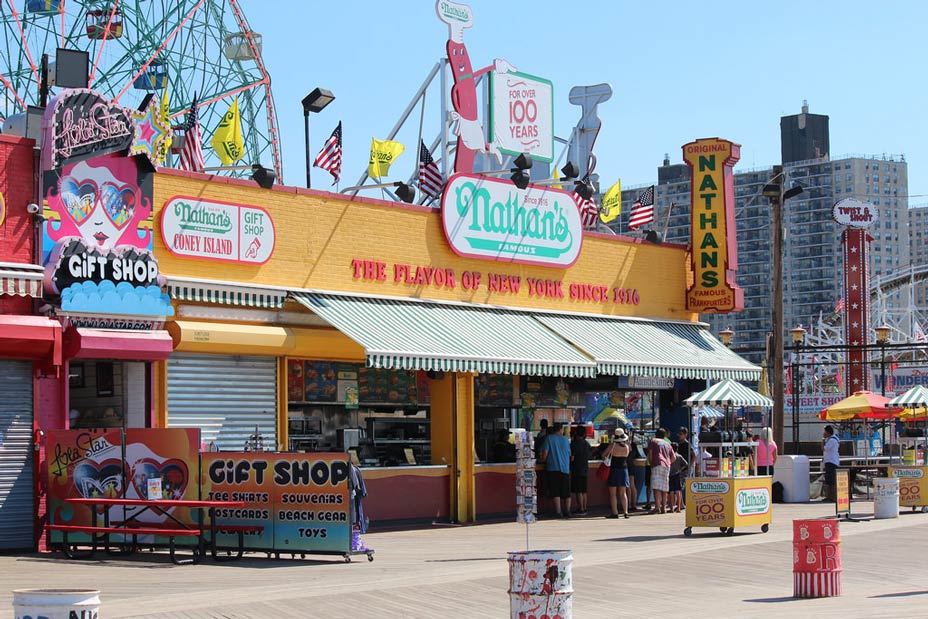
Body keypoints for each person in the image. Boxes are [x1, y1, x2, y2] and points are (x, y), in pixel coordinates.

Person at [540, 423, 572, 518]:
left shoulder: (549, 438)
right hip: (565, 469)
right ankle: (567, 511)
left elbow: (544, 454)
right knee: (566, 493)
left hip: (553, 468)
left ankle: (558, 512)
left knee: (556, 491)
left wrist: (541, 459)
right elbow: (569, 455)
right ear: (561, 429)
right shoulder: (566, 440)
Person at [604, 429, 631, 518]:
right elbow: (627, 456)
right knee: (623, 493)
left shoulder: (612, 446)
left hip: (614, 470)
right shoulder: (627, 447)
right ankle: (626, 512)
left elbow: (604, 455)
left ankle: (615, 513)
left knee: (613, 494)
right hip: (624, 470)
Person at [648, 428, 675, 514]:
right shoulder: (667, 444)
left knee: (656, 487)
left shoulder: (653, 441)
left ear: (656, 434)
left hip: (657, 464)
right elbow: (674, 457)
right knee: (664, 488)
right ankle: (663, 507)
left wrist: (652, 464)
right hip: (667, 466)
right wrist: (668, 462)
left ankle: (657, 507)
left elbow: (651, 454)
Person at [569, 426, 592, 515]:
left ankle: (581, 509)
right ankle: (585, 508)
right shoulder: (586, 444)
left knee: (578, 491)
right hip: (585, 468)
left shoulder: (574, 444)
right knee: (584, 490)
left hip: (576, 469)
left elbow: (572, 458)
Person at [822, 425, 841, 502]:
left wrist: (822, 440)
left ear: (828, 432)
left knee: (831, 480)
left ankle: (832, 497)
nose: (824, 433)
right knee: (829, 480)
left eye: (825, 432)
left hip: (831, 461)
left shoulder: (832, 440)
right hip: (831, 461)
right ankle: (829, 496)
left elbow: (823, 448)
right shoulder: (834, 439)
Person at [668, 442, 688, 513]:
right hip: (677, 474)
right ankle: (679, 507)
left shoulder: (669, 456)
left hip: (670, 475)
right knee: (678, 491)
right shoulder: (679, 456)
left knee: (671, 491)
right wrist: (680, 469)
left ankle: (671, 508)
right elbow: (686, 464)